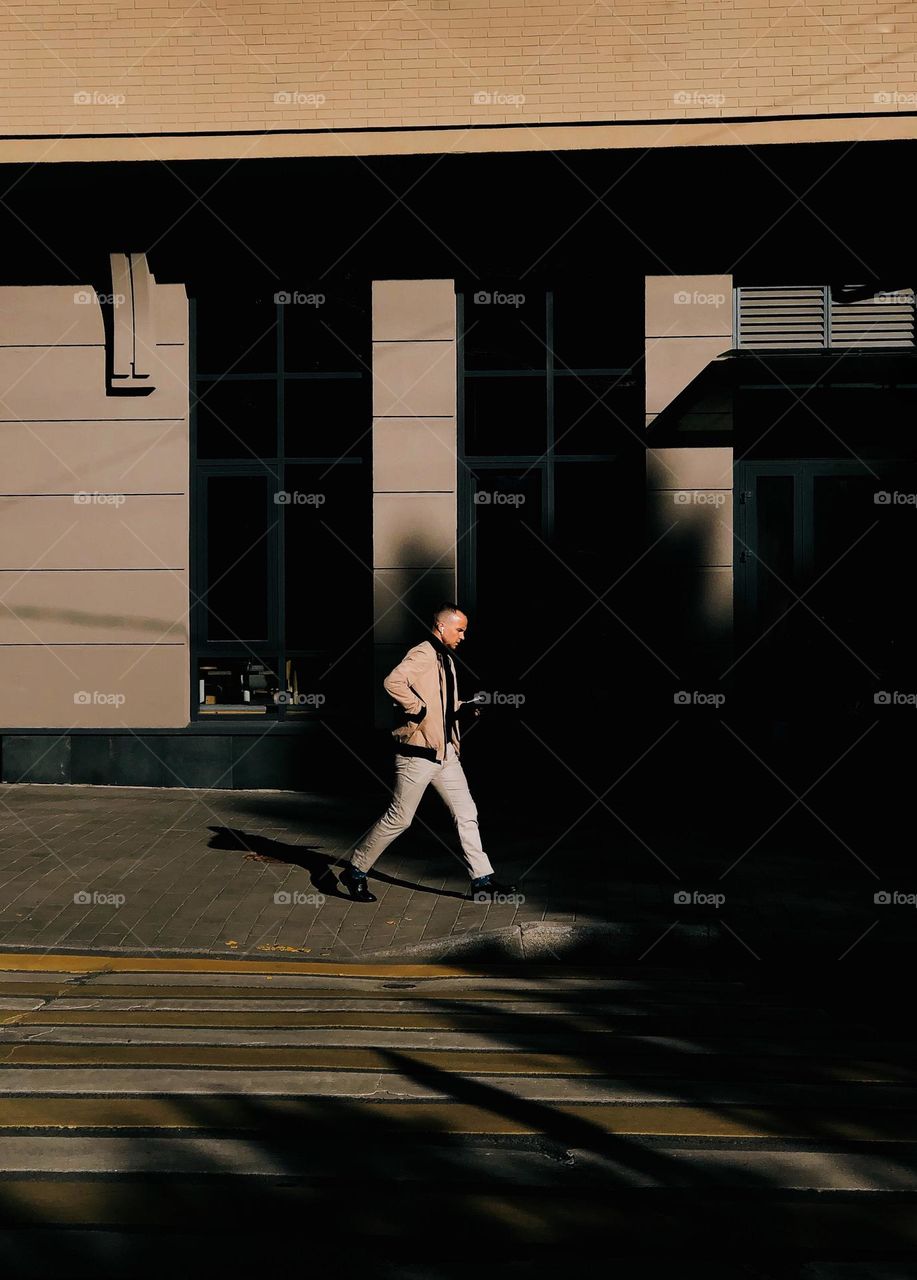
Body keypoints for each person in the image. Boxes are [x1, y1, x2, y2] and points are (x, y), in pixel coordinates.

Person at [340, 603, 516, 904]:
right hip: (417, 754)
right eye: (459, 630)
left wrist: (464, 708)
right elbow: (392, 682)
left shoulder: (444, 658)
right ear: (442, 626)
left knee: (466, 813)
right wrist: (416, 709)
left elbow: (442, 704)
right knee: (400, 818)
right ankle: (355, 871)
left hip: (445, 753)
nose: (463, 636)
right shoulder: (423, 652)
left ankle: (482, 881)